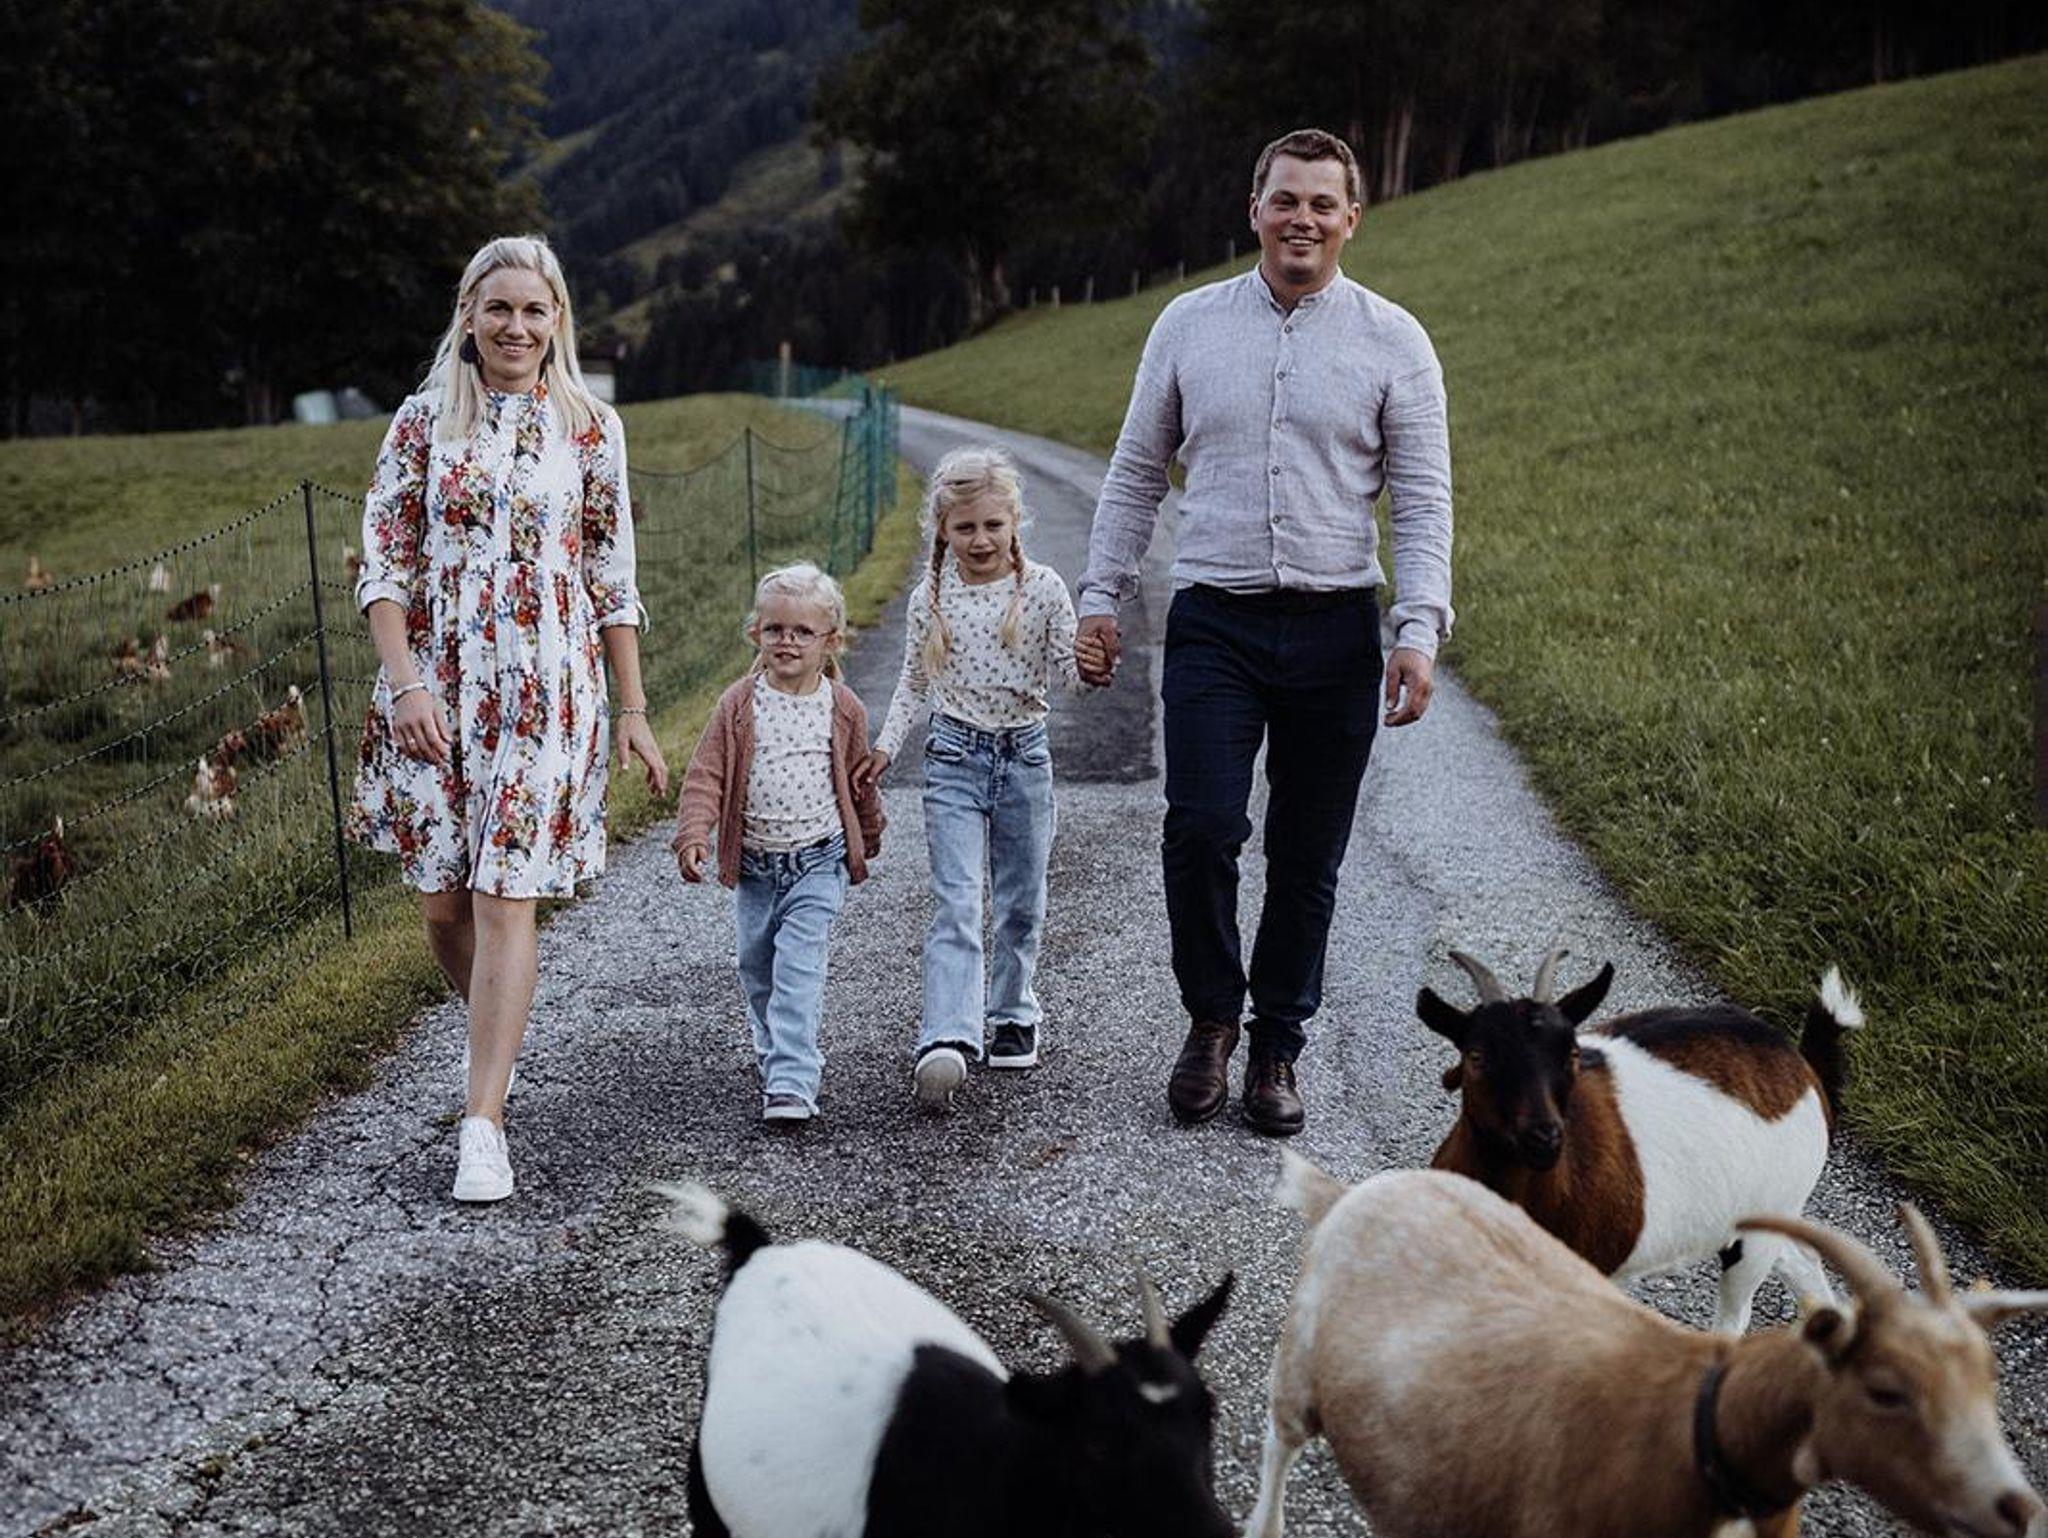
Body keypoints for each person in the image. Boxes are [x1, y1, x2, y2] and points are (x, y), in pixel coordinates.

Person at [1076, 128, 1454, 1138]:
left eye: (1322, 204)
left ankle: (1278, 1041)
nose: (1302, 219)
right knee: (1200, 826)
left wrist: (1416, 629)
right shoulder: (1187, 325)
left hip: (1336, 629)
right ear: (1254, 210)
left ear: (1351, 219)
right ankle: (1211, 1019)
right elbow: (1135, 471)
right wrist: (1100, 595)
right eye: (1285, 199)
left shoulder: (1394, 341)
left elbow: (1423, 501)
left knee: (1306, 852)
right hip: (1215, 621)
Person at [350, 233, 668, 1202]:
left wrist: (633, 707)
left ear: (557, 319)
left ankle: (481, 1122)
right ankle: (500, 1035)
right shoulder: (420, 422)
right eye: (499, 308)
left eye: (534, 310)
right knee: (444, 906)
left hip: (546, 689)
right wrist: (406, 685)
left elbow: (611, 575)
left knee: (504, 895)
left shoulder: (590, 426)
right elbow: (384, 566)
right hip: (436, 686)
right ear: (469, 316)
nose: (516, 326)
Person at [856, 447, 1105, 1111]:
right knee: (957, 901)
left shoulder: (1044, 589)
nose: (981, 539)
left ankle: (1013, 1012)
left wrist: (1094, 667)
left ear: (1015, 521)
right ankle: (947, 1035)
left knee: (1022, 900)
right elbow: (913, 682)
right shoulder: (930, 598)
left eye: (993, 524)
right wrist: (885, 747)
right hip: (952, 760)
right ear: (943, 529)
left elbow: (1072, 678)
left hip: (1025, 759)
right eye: (965, 527)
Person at [672, 563, 883, 1125]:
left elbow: (859, 780)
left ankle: (792, 1078)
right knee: (758, 969)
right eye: (775, 630)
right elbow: (706, 775)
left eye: (802, 632)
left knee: (797, 971)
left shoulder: (843, 707)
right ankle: (775, 1052)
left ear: (830, 641)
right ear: (755, 634)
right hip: (757, 868)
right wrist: (694, 832)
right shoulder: (739, 705)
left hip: (818, 861)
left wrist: (869, 833)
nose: (787, 641)